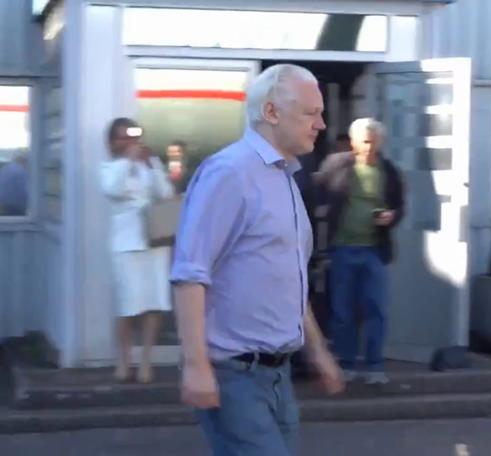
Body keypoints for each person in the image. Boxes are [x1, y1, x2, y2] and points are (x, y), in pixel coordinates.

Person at [170, 63, 344, 456]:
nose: (320, 124)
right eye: (310, 113)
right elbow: (189, 274)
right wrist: (197, 366)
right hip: (235, 375)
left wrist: (316, 351)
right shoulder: (230, 173)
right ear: (270, 112)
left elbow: (289, 278)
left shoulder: (285, 177)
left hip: (277, 375)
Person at [315, 117, 405, 385]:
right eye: (365, 141)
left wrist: (392, 216)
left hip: (374, 250)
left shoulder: (389, 171)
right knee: (343, 310)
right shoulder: (336, 165)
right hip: (343, 248)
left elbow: (400, 205)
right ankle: (346, 363)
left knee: (375, 309)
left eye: (374, 141)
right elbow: (315, 192)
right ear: (353, 142)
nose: (369, 146)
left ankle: (374, 366)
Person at [99, 118, 175, 383]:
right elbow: (113, 189)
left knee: (153, 301)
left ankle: (146, 363)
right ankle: (123, 361)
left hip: (153, 242)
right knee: (128, 304)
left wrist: (152, 165)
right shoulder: (109, 167)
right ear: (112, 142)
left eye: (133, 137)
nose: (129, 142)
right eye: (122, 137)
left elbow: (165, 194)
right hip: (126, 243)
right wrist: (129, 161)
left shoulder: (149, 164)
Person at [0, 150, 29, 216]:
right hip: (16, 207)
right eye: (25, 160)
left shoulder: (4, 169)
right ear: (21, 159)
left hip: (3, 205)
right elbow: (24, 191)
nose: (26, 163)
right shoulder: (21, 171)